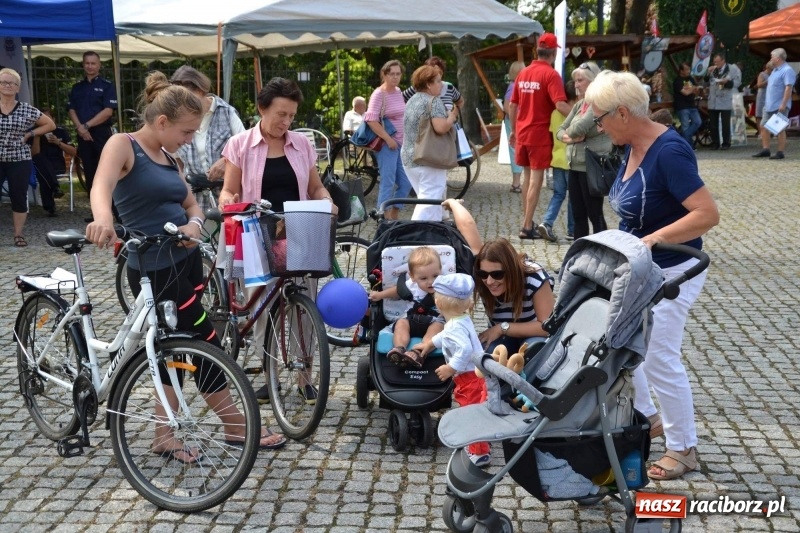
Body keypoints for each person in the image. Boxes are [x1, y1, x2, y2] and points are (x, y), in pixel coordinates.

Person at [85, 71, 286, 457]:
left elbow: (190, 203)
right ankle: (235, 427)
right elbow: (101, 186)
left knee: (174, 349)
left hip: (186, 261)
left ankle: (165, 435)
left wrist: (193, 224)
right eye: (187, 132)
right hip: (153, 269)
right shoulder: (122, 146)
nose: (191, 140)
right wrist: (104, 219)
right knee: (200, 341)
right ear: (162, 122)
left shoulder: (170, 157)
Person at [584, 70, 720, 480]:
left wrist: (654, 238)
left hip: (675, 270)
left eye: (600, 117)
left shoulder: (669, 152)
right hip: (642, 269)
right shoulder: (631, 144)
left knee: (660, 355)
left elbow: (707, 214)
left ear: (623, 113)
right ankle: (646, 417)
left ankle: (683, 448)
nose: (598, 124)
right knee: (622, 343)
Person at [219, 77, 336, 405]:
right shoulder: (240, 144)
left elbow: (314, 188)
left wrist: (326, 198)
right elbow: (229, 189)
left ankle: (304, 377)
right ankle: (268, 373)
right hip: (258, 231)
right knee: (263, 306)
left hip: (300, 228)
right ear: (261, 108)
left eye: (291, 116)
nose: (286, 122)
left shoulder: (302, 144)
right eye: (280, 114)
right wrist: (228, 205)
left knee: (303, 302)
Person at [442, 199, 555, 356]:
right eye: (483, 274)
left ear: (511, 271)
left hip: (533, 334)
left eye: (497, 275)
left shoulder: (533, 276)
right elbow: (467, 228)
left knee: (533, 354)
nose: (489, 281)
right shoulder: (481, 267)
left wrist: (501, 328)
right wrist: (454, 204)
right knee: (486, 358)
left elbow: (546, 326)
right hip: (501, 336)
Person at [413, 273, 492, 467]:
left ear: (438, 304)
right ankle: (482, 439)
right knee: (476, 411)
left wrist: (451, 367)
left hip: (469, 376)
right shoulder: (460, 319)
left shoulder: (455, 326)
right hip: (477, 374)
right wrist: (430, 344)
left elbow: (464, 348)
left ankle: (479, 452)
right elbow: (445, 336)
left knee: (470, 413)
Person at [509, 33, 572, 240]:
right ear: (553, 53)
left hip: (523, 132)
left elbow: (512, 104)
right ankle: (527, 226)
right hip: (539, 134)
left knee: (527, 178)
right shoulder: (551, 75)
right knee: (535, 180)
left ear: (538, 51)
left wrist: (514, 130)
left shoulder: (523, 73)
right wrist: (581, 115)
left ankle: (526, 221)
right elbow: (560, 104)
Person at [169, 66, 245, 213]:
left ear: (200, 91)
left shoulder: (227, 113)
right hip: (193, 200)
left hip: (227, 197)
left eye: (187, 97)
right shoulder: (179, 117)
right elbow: (175, 160)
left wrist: (226, 161)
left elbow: (246, 148)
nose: (183, 103)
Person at [0, 68, 56, 247]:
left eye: (12, 83)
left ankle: (18, 234)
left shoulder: (25, 109)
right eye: (4, 82)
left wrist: (31, 133)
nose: (8, 86)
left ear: (18, 88)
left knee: (19, 196)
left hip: (19, 159)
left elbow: (50, 124)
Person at [557, 61, 611, 241]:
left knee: (595, 215)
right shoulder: (579, 105)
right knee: (578, 216)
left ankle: (604, 251)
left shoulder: (598, 104)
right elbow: (560, 130)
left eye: (580, 80)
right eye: (575, 81)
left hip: (591, 166)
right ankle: (579, 256)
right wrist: (571, 138)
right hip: (575, 165)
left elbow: (575, 128)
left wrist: (570, 134)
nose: (576, 85)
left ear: (592, 81)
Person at [401, 65, 461, 221]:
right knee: (429, 201)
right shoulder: (433, 101)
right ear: (428, 84)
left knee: (429, 200)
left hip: (408, 158)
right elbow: (441, 128)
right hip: (428, 158)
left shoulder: (411, 101)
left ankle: (434, 234)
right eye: (438, 81)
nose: (442, 85)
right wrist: (452, 117)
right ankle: (416, 236)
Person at [369, 246, 445, 367]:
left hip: (434, 320)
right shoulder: (411, 285)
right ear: (413, 276)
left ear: (441, 270)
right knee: (401, 324)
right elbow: (397, 291)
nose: (431, 282)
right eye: (424, 278)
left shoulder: (445, 285)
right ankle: (399, 349)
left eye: (435, 275)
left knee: (437, 327)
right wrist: (380, 295)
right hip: (411, 319)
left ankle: (419, 352)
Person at [67, 51, 118, 221]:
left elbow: (108, 111)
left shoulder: (107, 85)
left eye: (93, 63)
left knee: (107, 171)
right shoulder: (77, 87)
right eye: (87, 63)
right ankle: (97, 211)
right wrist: (81, 129)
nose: (90, 66)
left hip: (101, 133)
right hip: (83, 134)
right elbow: (71, 109)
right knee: (90, 172)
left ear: (99, 65)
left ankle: (114, 210)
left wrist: (87, 126)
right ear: (83, 64)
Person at [365, 60, 412, 220]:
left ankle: (394, 213)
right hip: (387, 145)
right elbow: (371, 120)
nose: (395, 77)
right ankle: (382, 218)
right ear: (384, 74)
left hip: (400, 144)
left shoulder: (398, 91)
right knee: (388, 182)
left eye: (398, 74)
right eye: (392, 74)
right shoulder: (379, 94)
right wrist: (387, 138)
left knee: (406, 182)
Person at [538, 79, 577, 242]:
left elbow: (551, 132)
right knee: (574, 197)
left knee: (558, 194)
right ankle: (572, 230)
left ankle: (547, 222)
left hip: (557, 160)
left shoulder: (554, 113)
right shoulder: (575, 115)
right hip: (571, 160)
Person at [753, 48, 797, 160]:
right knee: (763, 126)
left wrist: (783, 104)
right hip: (769, 105)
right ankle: (766, 149)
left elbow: (788, 88)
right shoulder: (775, 70)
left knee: (779, 129)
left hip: (779, 105)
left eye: (772, 56)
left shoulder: (787, 70)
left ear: (778, 58)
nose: (771, 58)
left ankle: (780, 152)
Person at [704, 52, 741, 150]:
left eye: (717, 61)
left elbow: (737, 83)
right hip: (713, 100)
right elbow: (706, 81)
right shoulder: (712, 69)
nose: (716, 63)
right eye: (714, 61)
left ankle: (726, 143)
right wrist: (707, 72)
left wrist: (727, 83)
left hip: (725, 99)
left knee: (725, 124)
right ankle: (715, 143)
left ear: (723, 60)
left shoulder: (732, 69)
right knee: (713, 124)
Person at [503, 61, 525, 193]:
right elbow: (507, 106)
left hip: (517, 121)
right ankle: (516, 183)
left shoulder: (516, 85)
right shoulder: (513, 86)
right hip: (514, 122)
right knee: (515, 150)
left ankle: (518, 182)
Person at [672, 62, 702, 146]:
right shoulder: (677, 81)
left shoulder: (690, 79)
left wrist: (693, 89)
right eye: (686, 69)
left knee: (698, 122)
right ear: (681, 71)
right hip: (682, 107)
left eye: (689, 69)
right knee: (685, 126)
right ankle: (689, 146)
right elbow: (685, 93)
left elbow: (696, 90)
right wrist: (693, 89)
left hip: (692, 105)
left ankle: (684, 136)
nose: (688, 71)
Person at [753, 61, 773, 137]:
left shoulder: (773, 74)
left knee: (770, 114)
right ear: (767, 68)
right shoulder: (762, 74)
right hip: (762, 96)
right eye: (771, 69)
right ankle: (761, 132)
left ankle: (769, 131)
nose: (772, 71)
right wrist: (767, 81)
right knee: (759, 115)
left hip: (770, 97)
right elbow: (759, 85)